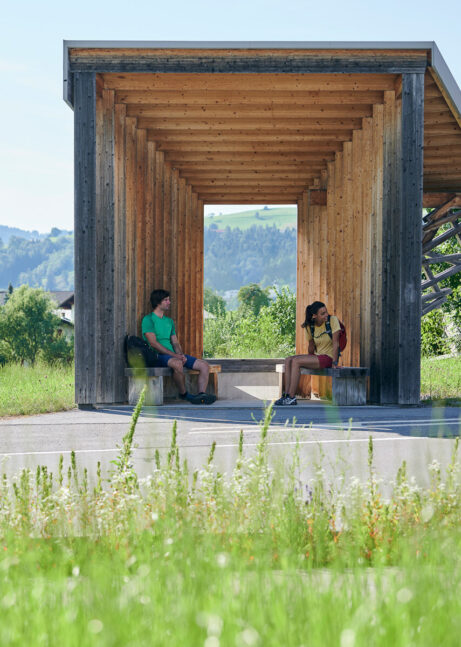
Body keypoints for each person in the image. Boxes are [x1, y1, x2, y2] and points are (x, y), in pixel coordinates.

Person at [142, 289, 216, 405]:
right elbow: (153, 343)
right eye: (166, 300)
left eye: (169, 300)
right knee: (177, 363)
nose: (169, 302)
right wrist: (175, 356)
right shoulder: (148, 320)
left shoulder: (169, 321)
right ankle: (184, 394)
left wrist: (180, 355)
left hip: (173, 355)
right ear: (158, 302)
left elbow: (175, 342)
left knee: (204, 365)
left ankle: (201, 395)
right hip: (157, 356)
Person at [275, 301, 340, 406]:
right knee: (288, 359)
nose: (326, 315)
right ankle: (286, 395)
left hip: (329, 358)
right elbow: (311, 346)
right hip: (318, 357)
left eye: (326, 312)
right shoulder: (310, 326)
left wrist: (335, 362)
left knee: (296, 361)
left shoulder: (332, 320)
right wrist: (308, 361)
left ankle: (291, 397)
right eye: (322, 314)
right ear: (314, 316)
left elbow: (336, 343)